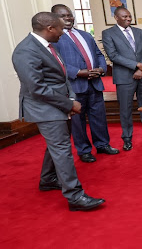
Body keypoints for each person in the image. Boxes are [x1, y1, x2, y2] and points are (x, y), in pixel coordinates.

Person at [12, 12, 105, 211]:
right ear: (49, 28)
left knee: (56, 145)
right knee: (62, 150)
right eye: (60, 28)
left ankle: (47, 179)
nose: (63, 33)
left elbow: (63, 76)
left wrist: (71, 98)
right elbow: (36, 88)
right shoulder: (26, 51)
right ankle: (75, 196)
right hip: (45, 108)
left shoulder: (48, 47)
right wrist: (69, 104)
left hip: (59, 103)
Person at [51, 4, 120, 163]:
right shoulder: (55, 38)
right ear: (54, 18)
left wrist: (101, 69)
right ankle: (84, 150)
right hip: (74, 86)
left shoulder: (85, 35)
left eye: (69, 15)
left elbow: (98, 54)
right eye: (63, 16)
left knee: (99, 117)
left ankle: (102, 144)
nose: (68, 18)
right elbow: (56, 63)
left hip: (95, 83)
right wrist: (78, 72)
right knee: (77, 121)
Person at [101, 7, 142, 151]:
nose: (128, 19)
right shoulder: (108, 34)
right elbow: (113, 55)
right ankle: (127, 138)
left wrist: (141, 69)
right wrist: (137, 65)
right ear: (116, 17)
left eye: (129, 16)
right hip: (124, 78)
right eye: (124, 16)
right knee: (125, 109)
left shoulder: (140, 32)